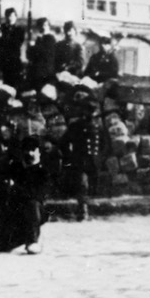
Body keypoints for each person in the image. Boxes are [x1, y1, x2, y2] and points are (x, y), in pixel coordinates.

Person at [0, 136, 48, 254]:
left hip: (34, 213)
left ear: (39, 152)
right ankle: (21, 236)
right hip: (14, 214)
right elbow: (1, 194)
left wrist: (14, 188)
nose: (30, 153)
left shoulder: (43, 172)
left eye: (33, 150)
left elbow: (36, 195)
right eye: (27, 150)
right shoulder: (14, 168)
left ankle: (33, 240)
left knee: (32, 204)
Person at [61, 89, 107, 221]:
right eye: (88, 111)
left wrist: (101, 157)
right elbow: (64, 143)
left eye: (92, 111)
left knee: (92, 187)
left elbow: (104, 144)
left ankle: (88, 210)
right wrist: (70, 157)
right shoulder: (76, 126)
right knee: (82, 185)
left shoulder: (99, 127)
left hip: (94, 162)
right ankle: (83, 211)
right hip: (80, 161)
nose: (90, 114)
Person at [0, 8, 26, 90]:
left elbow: (17, 43)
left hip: (14, 58)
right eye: (8, 16)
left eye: (12, 16)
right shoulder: (1, 28)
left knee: (15, 80)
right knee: (6, 80)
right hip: (4, 58)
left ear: (16, 17)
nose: (10, 18)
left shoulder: (20, 29)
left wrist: (2, 38)